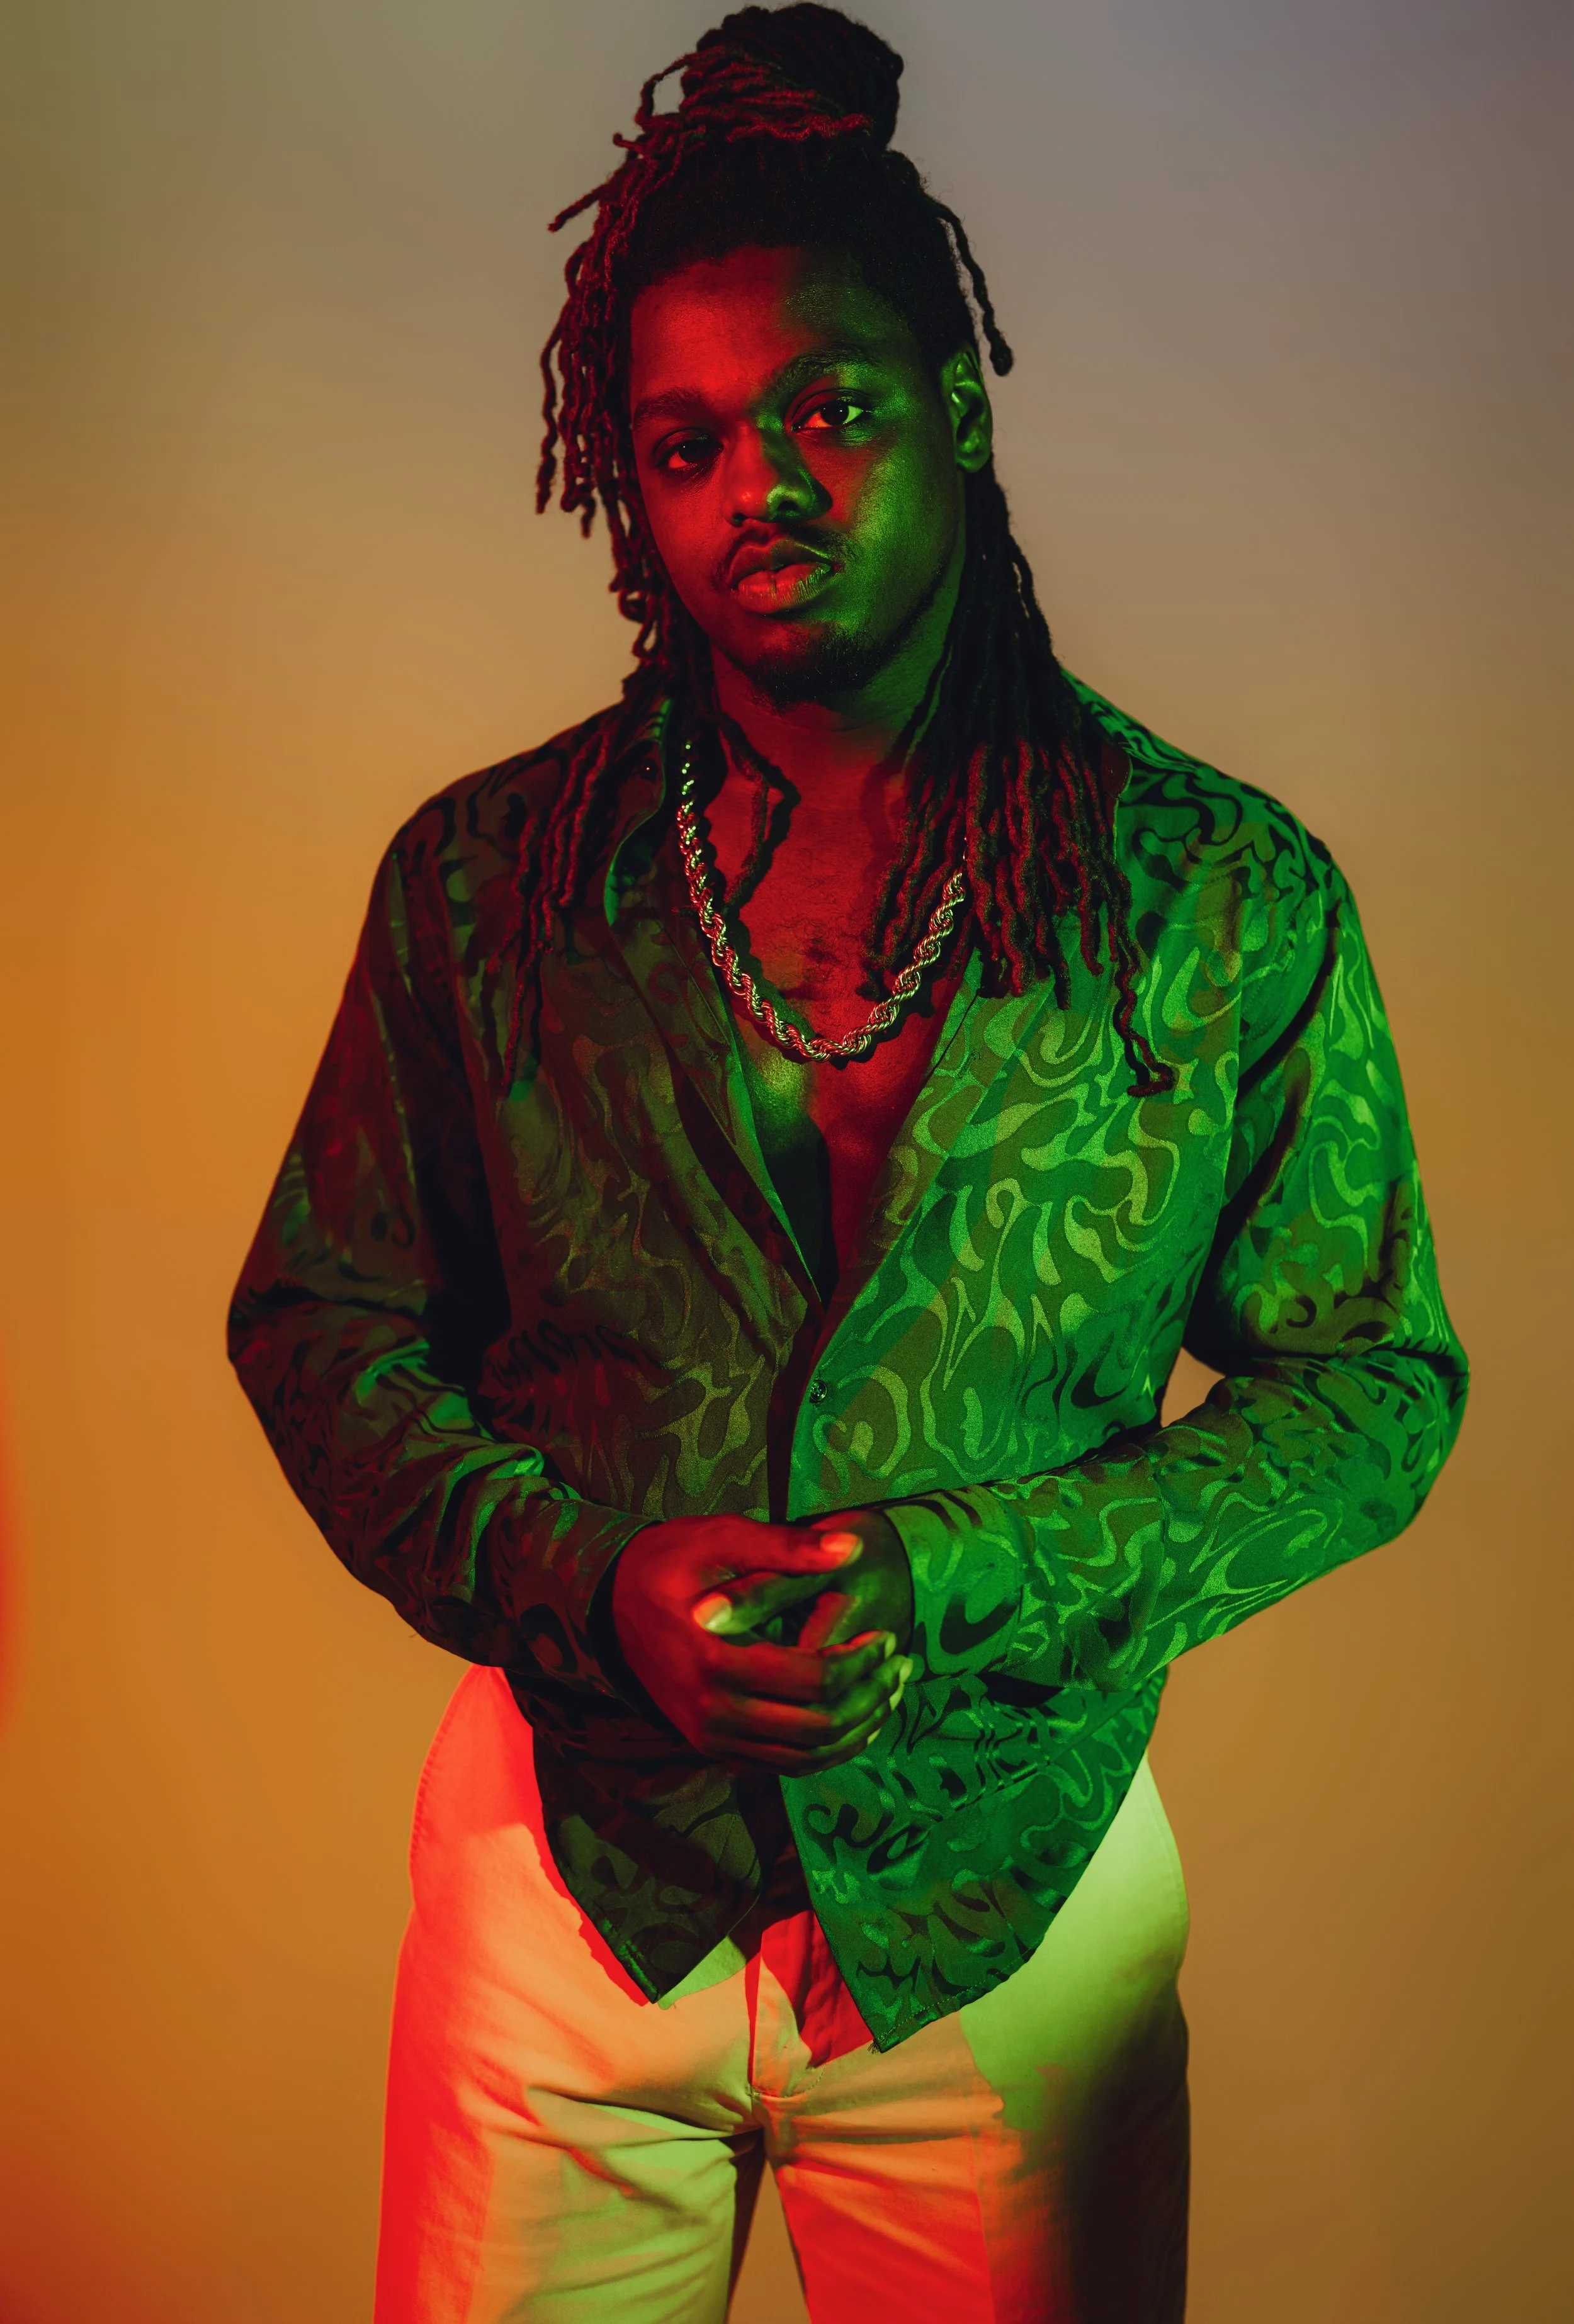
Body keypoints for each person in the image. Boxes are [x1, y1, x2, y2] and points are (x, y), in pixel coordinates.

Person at [228, 8, 1468, 2318]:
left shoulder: (1211, 887)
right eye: (685, 443)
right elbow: (319, 1320)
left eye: (827, 411)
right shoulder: (486, 884)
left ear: (959, 404)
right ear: (629, 483)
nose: (757, 488)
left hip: (1009, 1898)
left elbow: (1374, 1383)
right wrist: (584, 1581)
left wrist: (965, 1572)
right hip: (563, 1898)